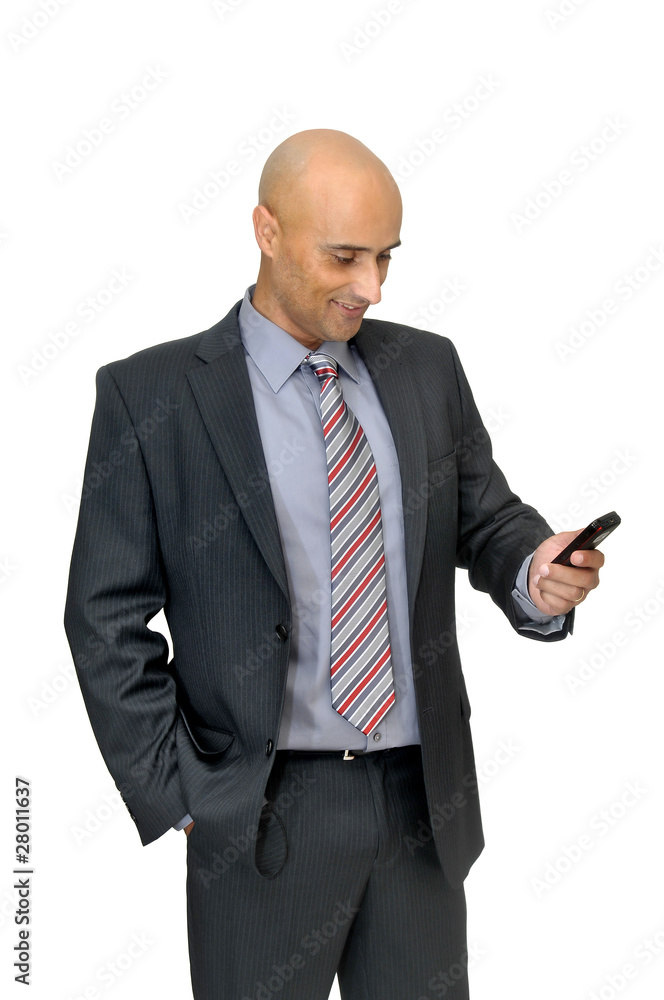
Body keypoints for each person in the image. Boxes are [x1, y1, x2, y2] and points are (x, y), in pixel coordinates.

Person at [63, 129, 604, 1000]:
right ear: (267, 231)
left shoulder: (425, 366)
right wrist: (184, 796)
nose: (372, 287)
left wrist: (536, 573)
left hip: (420, 805)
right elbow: (104, 615)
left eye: (386, 258)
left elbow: (489, 522)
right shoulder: (152, 394)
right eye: (345, 256)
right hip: (259, 814)